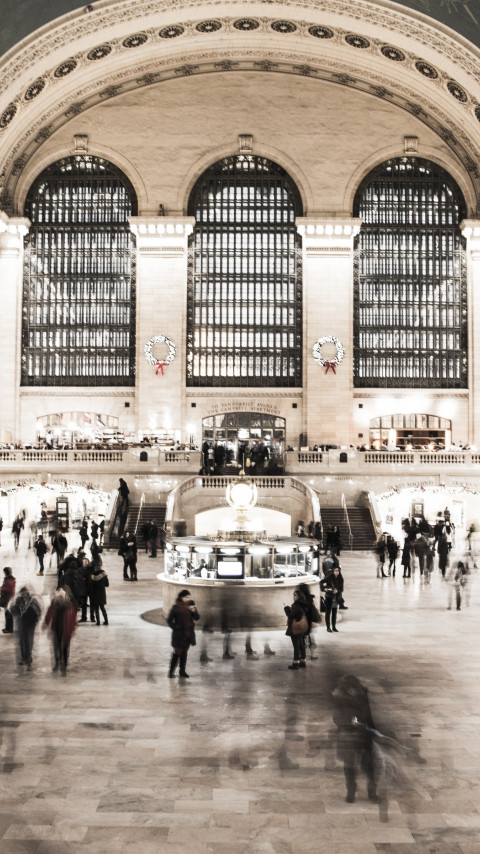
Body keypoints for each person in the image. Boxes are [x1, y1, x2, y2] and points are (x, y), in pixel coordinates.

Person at [332, 675, 378, 806]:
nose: (354, 692)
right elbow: (336, 719)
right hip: (348, 737)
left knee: (370, 766)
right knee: (349, 766)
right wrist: (349, 723)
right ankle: (351, 790)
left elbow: (368, 714)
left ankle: (372, 793)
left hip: (364, 736)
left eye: (355, 689)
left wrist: (373, 731)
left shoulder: (363, 694)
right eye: (351, 690)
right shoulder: (339, 698)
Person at [44, 588, 77, 675]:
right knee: (56, 647)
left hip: (66, 631)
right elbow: (48, 614)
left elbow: (73, 620)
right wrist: (46, 623)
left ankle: (64, 666)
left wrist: (72, 629)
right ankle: (57, 663)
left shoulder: (69, 606)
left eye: (61, 597)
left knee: (65, 649)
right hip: (56, 629)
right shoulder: (54, 604)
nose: (60, 599)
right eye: (59, 597)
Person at [167, 589, 199, 678]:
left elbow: (197, 618)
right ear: (182, 597)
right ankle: (171, 672)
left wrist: (193, 611)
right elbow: (169, 620)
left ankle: (182, 671)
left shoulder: (191, 604)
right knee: (177, 653)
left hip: (188, 633)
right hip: (179, 635)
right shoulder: (175, 607)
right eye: (186, 597)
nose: (188, 599)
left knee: (184, 653)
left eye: (189, 597)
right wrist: (175, 628)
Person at [9, 585, 43, 669]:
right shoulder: (18, 600)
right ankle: (24, 658)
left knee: (28, 641)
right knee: (21, 641)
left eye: (26, 593)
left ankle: (28, 659)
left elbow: (38, 611)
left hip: (30, 624)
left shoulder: (33, 600)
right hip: (22, 623)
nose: (24, 595)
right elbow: (12, 610)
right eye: (23, 593)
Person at [284, 589, 308, 669]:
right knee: (301, 645)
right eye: (293, 595)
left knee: (296, 646)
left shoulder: (297, 605)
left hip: (295, 627)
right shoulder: (302, 604)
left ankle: (295, 663)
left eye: (295, 595)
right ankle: (303, 661)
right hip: (301, 627)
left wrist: (286, 609)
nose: (293, 597)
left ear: (299, 596)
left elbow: (291, 615)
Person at [320, 566, 343, 632]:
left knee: (334, 613)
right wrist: (324, 589)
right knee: (328, 613)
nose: (337, 572)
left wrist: (337, 591)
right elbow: (321, 582)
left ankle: (334, 627)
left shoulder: (340, 578)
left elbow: (341, 588)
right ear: (333, 571)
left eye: (338, 570)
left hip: (336, 598)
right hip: (329, 597)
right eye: (335, 570)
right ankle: (328, 627)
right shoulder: (329, 577)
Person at [0, 566, 16, 633]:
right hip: (7, 598)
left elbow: (8, 589)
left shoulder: (9, 580)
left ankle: (9, 629)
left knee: (8, 615)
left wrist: (1, 589)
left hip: (8, 599)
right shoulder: (8, 579)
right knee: (7, 614)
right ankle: (8, 628)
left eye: (4, 572)